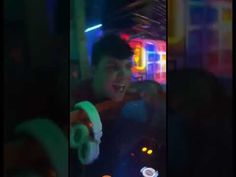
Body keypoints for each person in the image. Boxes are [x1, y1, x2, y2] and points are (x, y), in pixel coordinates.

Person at [70, 34, 166, 177]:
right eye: (112, 67)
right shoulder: (77, 110)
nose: (124, 75)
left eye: (128, 66)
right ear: (94, 69)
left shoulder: (126, 98)